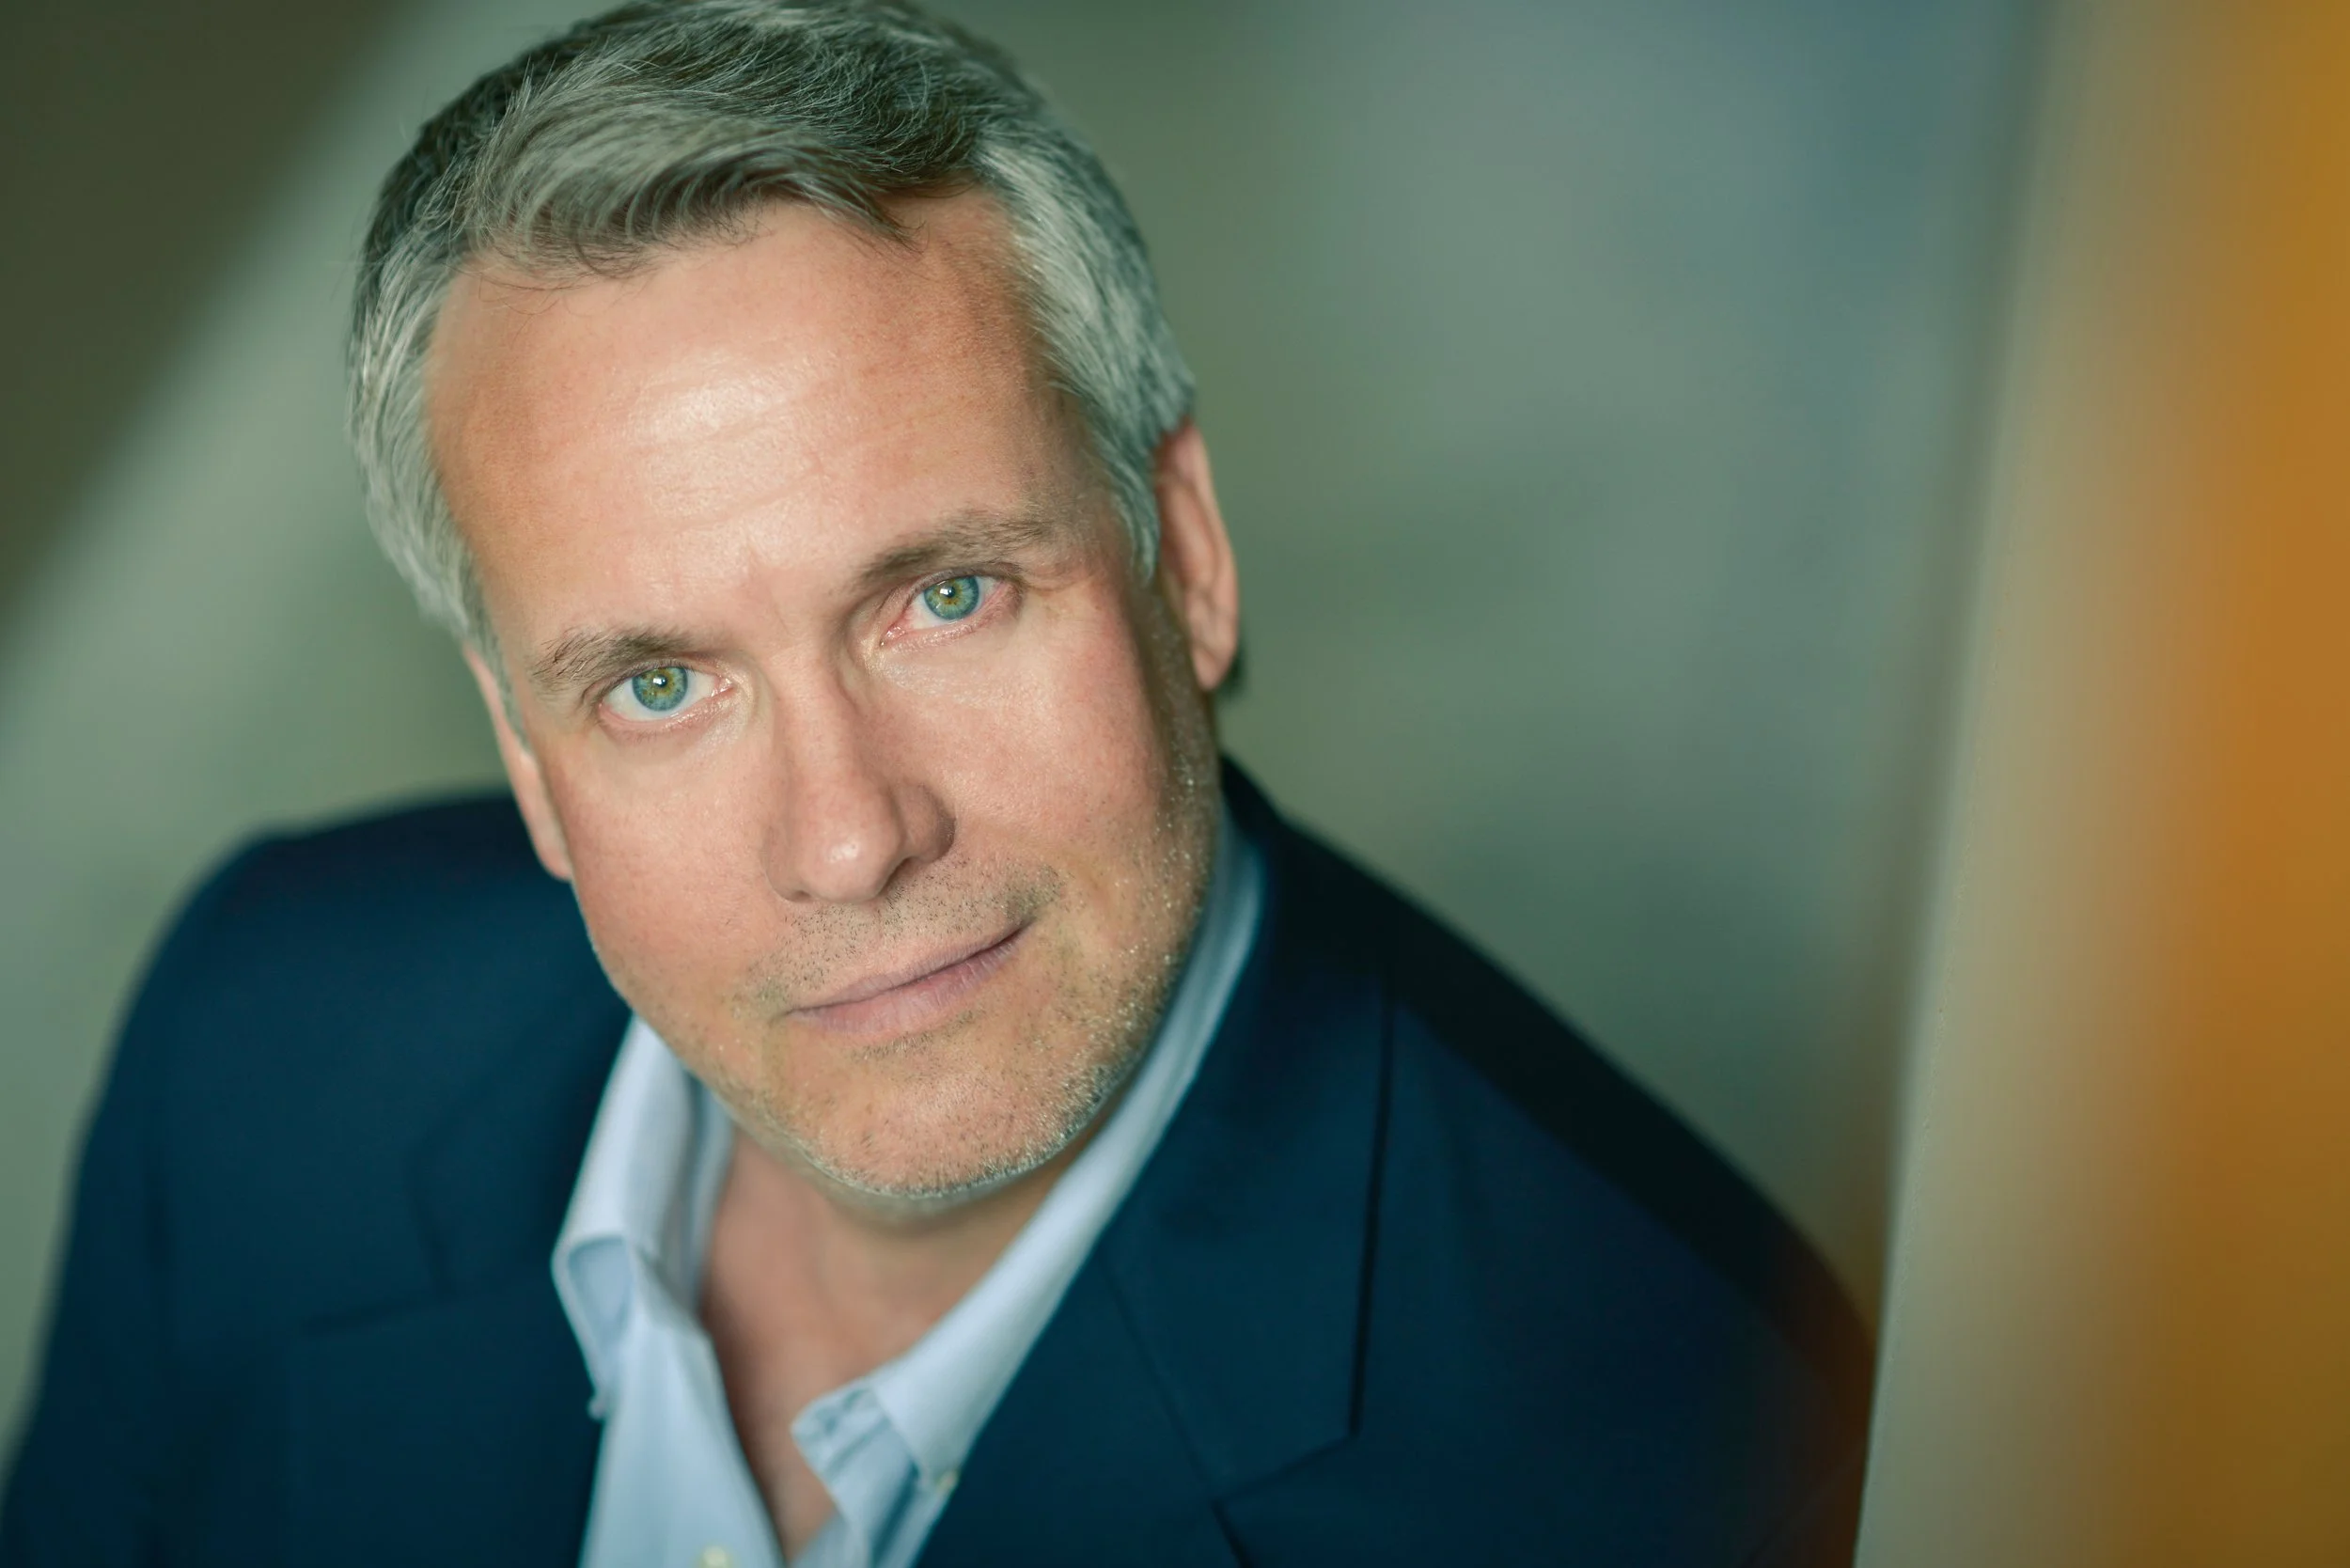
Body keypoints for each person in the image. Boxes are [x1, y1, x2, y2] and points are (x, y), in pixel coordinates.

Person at [0, 3, 1870, 1563]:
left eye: (944, 595)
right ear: (525, 756)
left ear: (1185, 556)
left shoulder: (1672, 1456)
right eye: (658, 684)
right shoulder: (257, 1046)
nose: (848, 834)